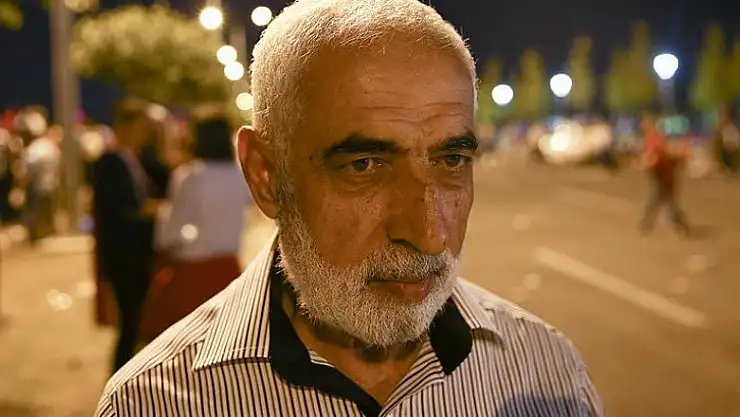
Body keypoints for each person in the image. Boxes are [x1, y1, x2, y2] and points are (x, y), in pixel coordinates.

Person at [95, 1, 603, 416]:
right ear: (266, 175)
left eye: (452, 160)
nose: (429, 234)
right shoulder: (155, 402)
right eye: (364, 166)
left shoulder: (548, 375)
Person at [138, 110, 249, 342]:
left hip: (193, 275)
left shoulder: (190, 176)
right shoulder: (239, 176)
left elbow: (169, 233)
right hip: (229, 270)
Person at [92, 98, 162, 372]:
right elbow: (126, 208)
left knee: (136, 322)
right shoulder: (110, 162)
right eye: (141, 127)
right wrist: (162, 209)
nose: (144, 134)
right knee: (130, 322)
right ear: (125, 126)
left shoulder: (134, 159)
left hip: (135, 254)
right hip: (123, 256)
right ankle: (119, 378)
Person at [639, 112, 690, 235]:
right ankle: (677, 223)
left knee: (660, 199)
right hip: (662, 173)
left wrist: (648, 162)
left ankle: (648, 223)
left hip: (663, 173)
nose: (642, 126)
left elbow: (657, 153)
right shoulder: (653, 136)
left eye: (644, 123)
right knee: (666, 200)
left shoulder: (654, 137)